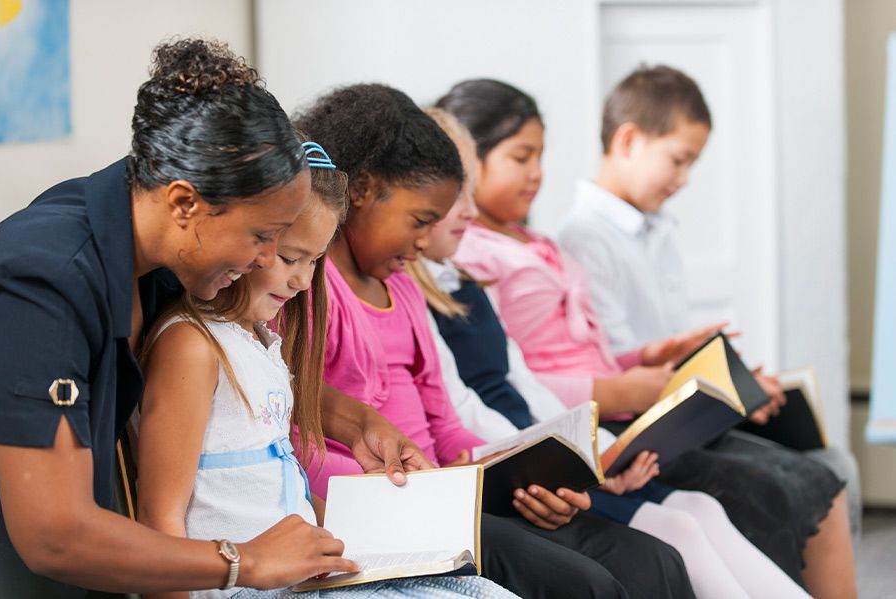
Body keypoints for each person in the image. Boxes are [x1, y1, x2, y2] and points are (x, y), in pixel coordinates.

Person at [0, 39, 427, 598]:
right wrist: (243, 562)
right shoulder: (45, 278)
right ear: (183, 203)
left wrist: (349, 418)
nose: (266, 263)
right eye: (262, 237)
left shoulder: (159, 242)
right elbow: (54, 536)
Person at [439, 78, 856, 598]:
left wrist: (647, 360)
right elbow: (506, 384)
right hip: (582, 422)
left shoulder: (538, 243)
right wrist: (631, 392)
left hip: (594, 421)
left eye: (540, 157)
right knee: (734, 502)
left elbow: (538, 365)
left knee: (761, 491)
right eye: (521, 158)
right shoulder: (471, 260)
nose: (537, 175)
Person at [290, 82, 695, 599]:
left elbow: (447, 422)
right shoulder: (309, 289)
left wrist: (515, 476)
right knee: (585, 584)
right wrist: (431, 489)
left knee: (651, 559)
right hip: (396, 506)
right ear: (364, 190)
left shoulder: (404, 291)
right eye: (419, 222)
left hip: (446, 491)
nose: (422, 244)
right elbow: (302, 434)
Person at [136, 142, 516, 599]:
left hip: (299, 579)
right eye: (289, 258)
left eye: (314, 261)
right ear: (253, 237)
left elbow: (274, 490)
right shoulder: (191, 346)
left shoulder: (261, 343)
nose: (302, 281)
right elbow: (160, 522)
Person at [555, 63, 862, 540]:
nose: (685, 178)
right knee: (801, 484)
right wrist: (729, 390)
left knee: (832, 462)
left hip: (678, 403)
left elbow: (669, 341)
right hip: (643, 420)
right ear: (629, 141)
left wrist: (736, 383)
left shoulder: (657, 228)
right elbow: (618, 365)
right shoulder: (584, 240)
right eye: (678, 160)